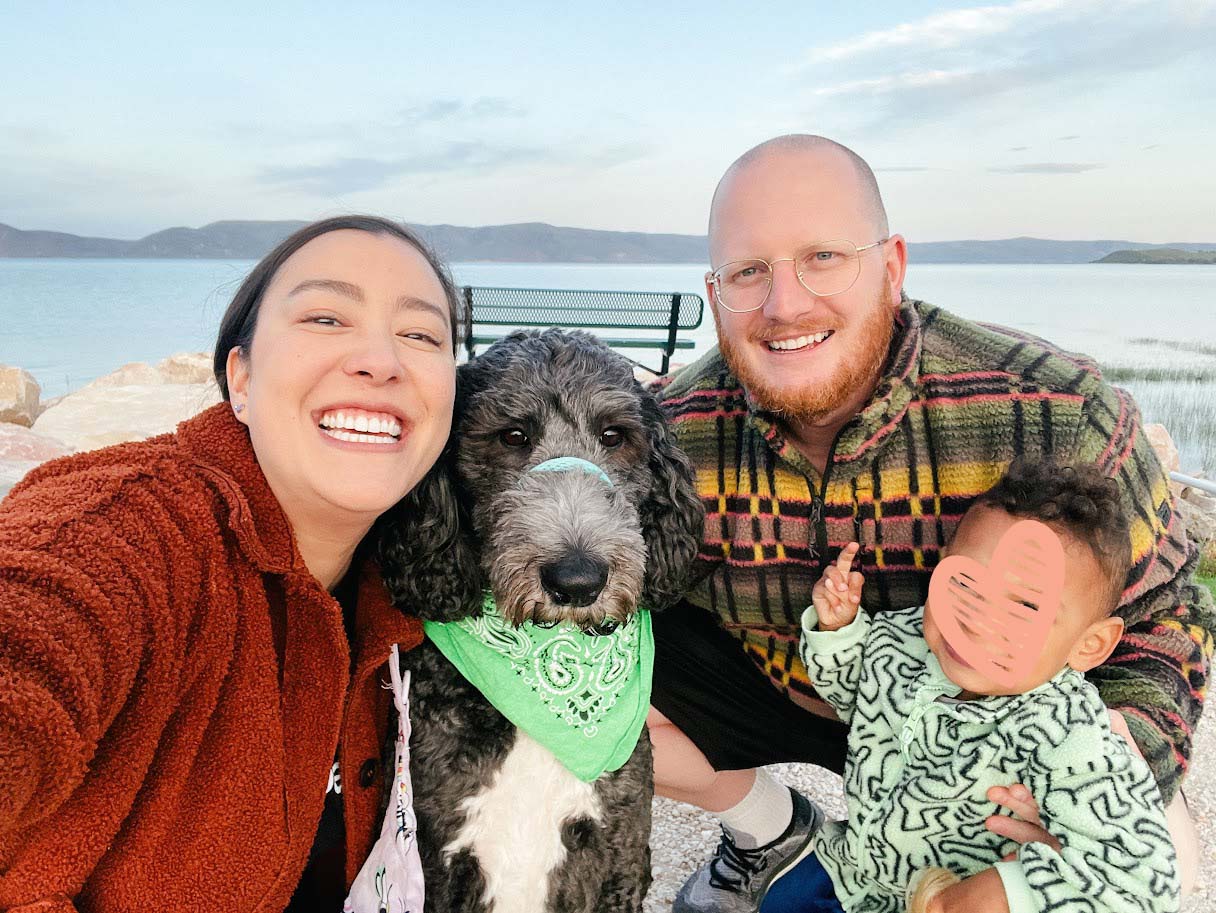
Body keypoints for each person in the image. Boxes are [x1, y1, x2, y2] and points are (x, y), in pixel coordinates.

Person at [648, 135, 1212, 912]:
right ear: (715, 294)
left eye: (823, 256)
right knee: (570, 692)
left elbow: (1169, 614)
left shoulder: (1056, 413)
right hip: (802, 688)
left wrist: (1107, 759)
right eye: (749, 271)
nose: (785, 306)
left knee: (1163, 875)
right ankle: (769, 829)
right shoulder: (670, 433)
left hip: (1001, 731)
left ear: (893, 265)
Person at [0, 216, 460, 912]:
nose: (380, 358)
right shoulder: (137, 530)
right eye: (327, 316)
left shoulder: (416, 579)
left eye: (422, 334)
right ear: (239, 379)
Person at [762, 460, 1179, 913]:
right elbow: (849, 691)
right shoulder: (902, 640)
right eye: (964, 583)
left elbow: (1142, 884)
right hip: (851, 869)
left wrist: (991, 895)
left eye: (1023, 605)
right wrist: (838, 629)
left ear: (1089, 644)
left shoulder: (1069, 734)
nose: (977, 622)